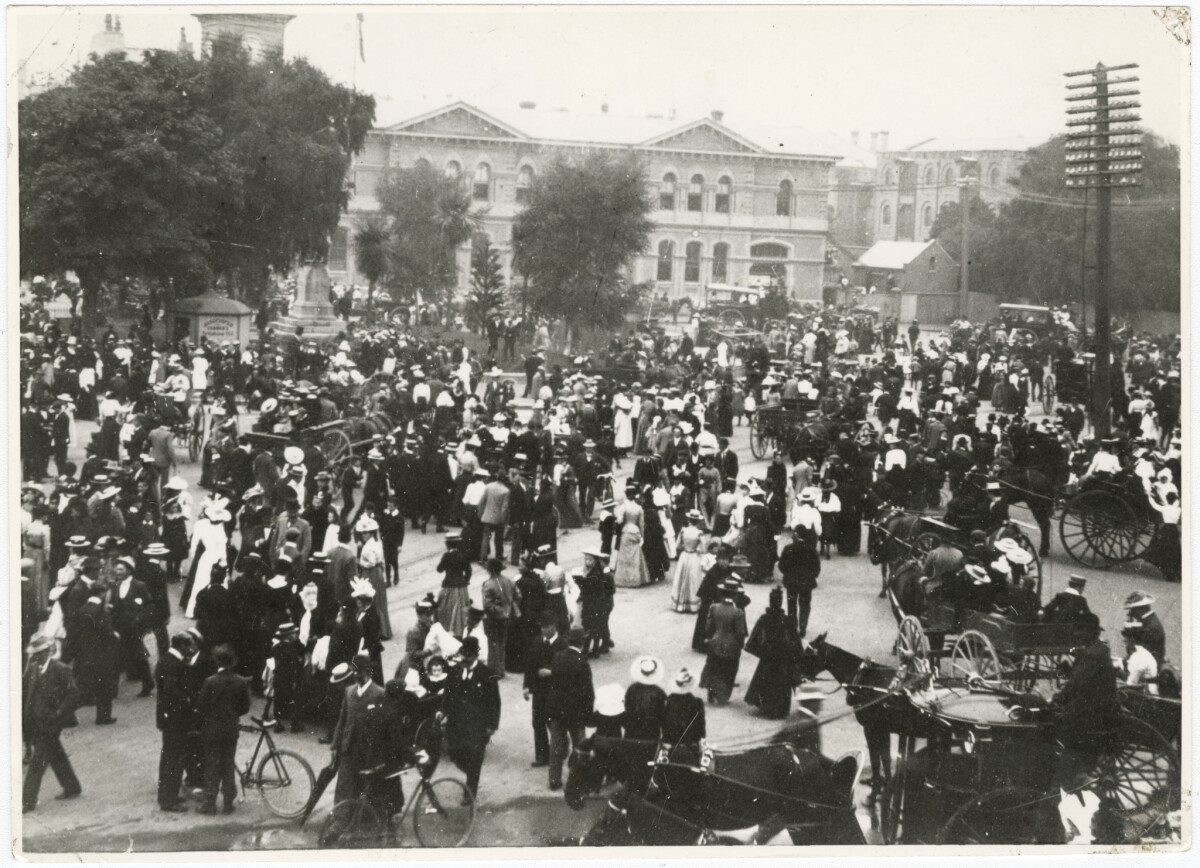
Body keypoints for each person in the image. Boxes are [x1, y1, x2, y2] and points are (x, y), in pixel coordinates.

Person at [22, 634, 81, 814]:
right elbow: (26, 693)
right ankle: (72, 787)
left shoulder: (61, 669)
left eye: (39, 653)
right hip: (37, 721)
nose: (36, 657)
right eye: (34, 654)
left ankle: (27, 801)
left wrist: (59, 712)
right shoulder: (33, 670)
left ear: (48, 651)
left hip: (53, 722)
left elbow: (74, 695)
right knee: (55, 754)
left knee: (37, 762)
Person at [441, 636, 500, 803]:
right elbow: (447, 694)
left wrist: (492, 725)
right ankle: (472, 773)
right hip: (456, 722)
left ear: (475, 655)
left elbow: (494, 702)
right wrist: (442, 711)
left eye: (468, 656)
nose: (464, 660)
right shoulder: (455, 671)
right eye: (463, 655)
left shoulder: (487, 674)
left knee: (475, 758)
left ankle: (470, 793)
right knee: (454, 753)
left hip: (477, 726)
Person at [197, 644, 251, 815]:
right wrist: (232, 714)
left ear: (217, 661)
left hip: (212, 729)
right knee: (228, 764)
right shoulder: (241, 681)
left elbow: (201, 706)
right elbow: (245, 707)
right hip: (231, 728)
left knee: (212, 765)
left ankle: (210, 803)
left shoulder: (210, 681)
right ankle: (228, 802)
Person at [330, 653, 389, 805]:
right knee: (344, 788)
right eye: (354, 671)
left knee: (366, 790)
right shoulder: (349, 692)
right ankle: (340, 816)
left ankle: (364, 817)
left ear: (367, 672)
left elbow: (385, 727)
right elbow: (342, 720)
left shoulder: (379, 694)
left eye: (359, 672)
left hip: (368, 752)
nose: (356, 675)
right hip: (348, 748)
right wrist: (335, 745)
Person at [545, 627, 594, 791]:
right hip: (576, 712)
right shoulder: (583, 662)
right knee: (579, 746)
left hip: (557, 710)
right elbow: (588, 693)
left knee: (556, 745)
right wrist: (588, 716)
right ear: (582, 642)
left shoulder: (557, 656)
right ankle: (578, 779)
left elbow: (553, 683)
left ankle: (554, 779)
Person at [156, 631, 199, 812]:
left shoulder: (167, 660)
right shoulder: (173, 665)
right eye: (189, 645)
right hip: (175, 719)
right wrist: (188, 701)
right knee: (173, 759)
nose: (192, 648)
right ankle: (168, 800)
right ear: (181, 645)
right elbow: (172, 691)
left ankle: (168, 795)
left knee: (169, 757)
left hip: (169, 718)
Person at [744, 588, 799, 719]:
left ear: (771, 602)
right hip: (783, 661)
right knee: (781, 684)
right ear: (781, 602)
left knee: (766, 681)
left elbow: (752, 643)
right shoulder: (788, 621)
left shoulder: (764, 619)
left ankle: (766, 707)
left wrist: (763, 653)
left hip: (768, 659)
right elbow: (796, 643)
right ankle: (779, 710)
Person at [700, 578, 748, 706]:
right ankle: (723, 696)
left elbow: (708, 627)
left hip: (715, 641)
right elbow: (740, 633)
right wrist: (740, 644)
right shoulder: (738, 612)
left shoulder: (714, 607)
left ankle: (711, 691)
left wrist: (709, 638)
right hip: (731, 645)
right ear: (735, 595)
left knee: (713, 666)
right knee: (728, 670)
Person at [523, 621, 563, 769]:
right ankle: (542, 756)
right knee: (538, 722)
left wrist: (551, 672)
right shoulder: (537, 642)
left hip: (555, 691)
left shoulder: (562, 644)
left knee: (554, 724)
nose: (543, 630)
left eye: (546, 626)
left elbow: (567, 669)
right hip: (539, 691)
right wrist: (526, 686)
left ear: (554, 627)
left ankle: (559, 751)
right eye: (541, 627)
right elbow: (529, 666)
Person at [777, 525, 821, 637]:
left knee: (791, 604)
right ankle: (803, 627)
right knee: (805, 604)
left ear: (796, 534)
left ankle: (793, 627)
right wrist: (812, 576)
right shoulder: (811, 550)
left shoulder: (788, 548)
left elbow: (781, 565)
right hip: (806, 582)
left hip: (791, 582)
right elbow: (816, 567)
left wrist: (787, 574)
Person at [481, 558, 521, 676]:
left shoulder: (488, 584)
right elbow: (518, 596)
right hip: (507, 615)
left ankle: (494, 670)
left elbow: (487, 604)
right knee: (502, 642)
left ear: (489, 570)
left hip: (493, 618)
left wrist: (496, 610)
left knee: (493, 643)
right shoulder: (509, 581)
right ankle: (501, 669)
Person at [623, 656, 667, 740]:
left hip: (633, 727)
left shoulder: (632, 688)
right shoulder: (658, 691)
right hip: (651, 729)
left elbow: (627, 706)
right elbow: (662, 713)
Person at [670, 510, 706, 613]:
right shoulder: (699, 533)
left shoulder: (683, 531)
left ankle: (680, 602)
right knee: (693, 579)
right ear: (698, 522)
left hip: (684, 556)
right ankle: (691, 604)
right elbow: (703, 549)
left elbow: (677, 546)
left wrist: (685, 546)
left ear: (689, 520)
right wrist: (696, 548)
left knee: (682, 577)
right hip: (694, 556)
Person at [661, 668, 705, 747]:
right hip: (691, 740)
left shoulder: (669, 700)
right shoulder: (697, 702)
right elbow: (701, 726)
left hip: (671, 741)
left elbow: (664, 722)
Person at [1123, 591, 1165, 667]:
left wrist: (1130, 640)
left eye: (1132, 610)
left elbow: (1139, 653)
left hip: (1149, 667)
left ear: (1140, 609)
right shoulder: (1148, 620)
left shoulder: (1151, 627)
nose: (1129, 613)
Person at [1120, 626, 1158, 694]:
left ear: (1132, 640)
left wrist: (1117, 672)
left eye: (1126, 637)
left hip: (1147, 694)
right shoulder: (1143, 652)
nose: (1123, 640)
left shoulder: (1138, 656)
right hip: (1146, 690)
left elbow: (1131, 683)